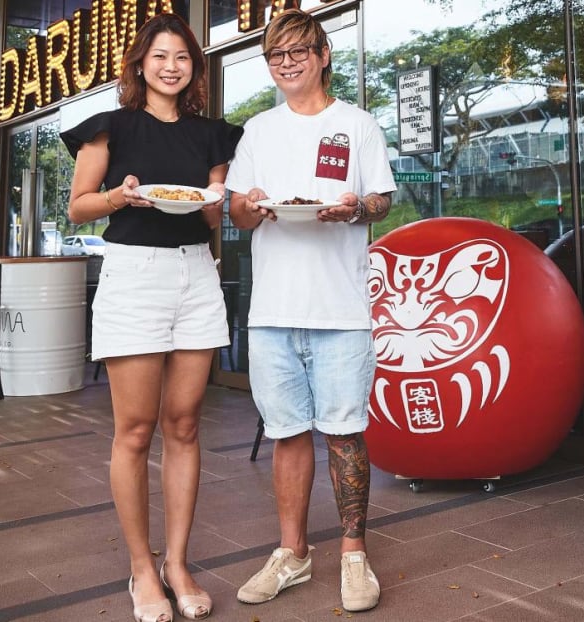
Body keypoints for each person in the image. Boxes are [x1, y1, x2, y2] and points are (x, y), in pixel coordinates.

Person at [60, 12, 243, 622]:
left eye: (183, 58)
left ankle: (178, 562)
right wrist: (122, 195)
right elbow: (79, 208)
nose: (172, 66)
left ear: (195, 67)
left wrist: (233, 200)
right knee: (135, 430)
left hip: (196, 272)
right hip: (134, 273)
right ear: (141, 64)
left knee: (185, 424)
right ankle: (142, 567)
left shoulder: (213, 135)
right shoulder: (110, 127)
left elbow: (213, 214)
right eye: (160, 55)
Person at [225, 8, 396, 614]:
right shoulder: (258, 130)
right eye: (276, 55)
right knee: (288, 436)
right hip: (273, 310)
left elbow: (379, 199)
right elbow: (239, 213)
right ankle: (292, 554)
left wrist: (356, 207)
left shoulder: (358, 124)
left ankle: (354, 554)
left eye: (299, 50)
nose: (288, 62)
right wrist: (247, 204)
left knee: (346, 432)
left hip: (341, 309)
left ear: (324, 54)